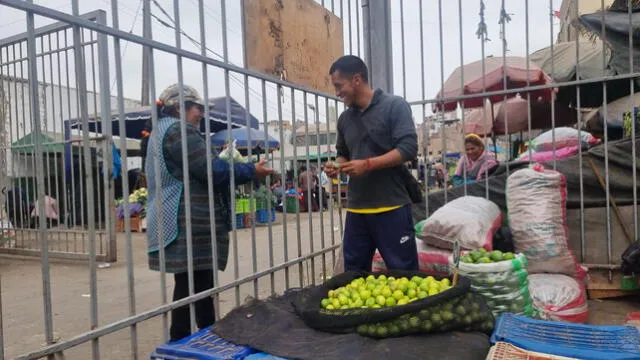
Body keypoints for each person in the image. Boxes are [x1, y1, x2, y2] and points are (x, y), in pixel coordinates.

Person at [145, 84, 273, 341]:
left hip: (176, 217)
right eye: (198, 108)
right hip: (188, 220)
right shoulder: (178, 131)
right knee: (193, 284)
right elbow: (212, 170)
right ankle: (184, 338)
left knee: (195, 282)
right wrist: (251, 170)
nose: (201, 114)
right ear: (181, 107)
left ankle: (205, 333)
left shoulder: (160, 131)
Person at [323, 55, 419, 272]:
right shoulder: (345, 119)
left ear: (357, 79)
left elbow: (408, 148)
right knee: (354, 276)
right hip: (357, 211)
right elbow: (343, 153)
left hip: (392, 206)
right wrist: (336, 166)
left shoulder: (395, 106)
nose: (337, 93)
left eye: (339, 86)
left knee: (404, 274)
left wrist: (367, 164)